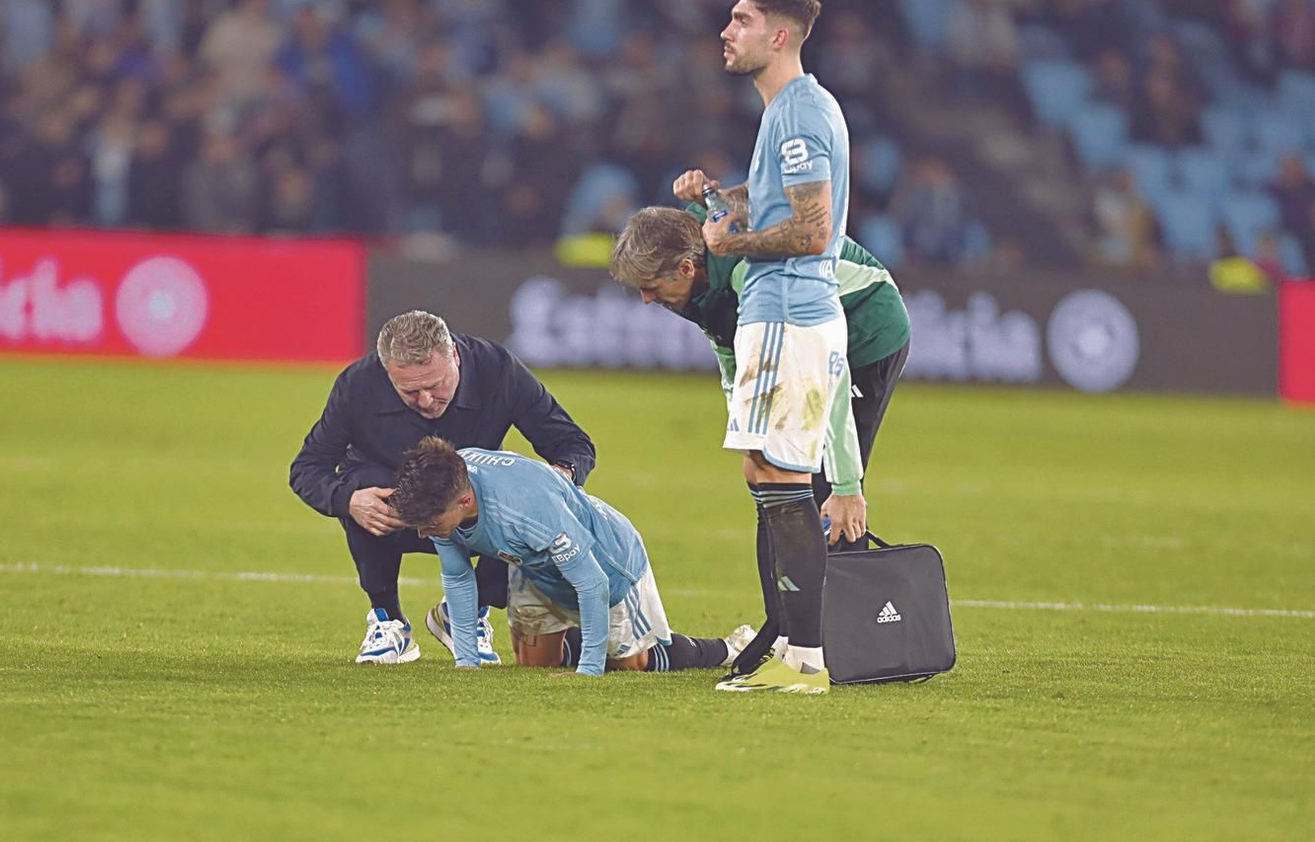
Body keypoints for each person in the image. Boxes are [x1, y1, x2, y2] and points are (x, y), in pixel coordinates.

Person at [675, 0, 852, 694]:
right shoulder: (788, 110)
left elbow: (811, 230)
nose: (727, 30)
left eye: (742, 20)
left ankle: (805, 657)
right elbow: (781, 203)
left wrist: (727, 247)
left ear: (779, 36)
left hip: (790, 314)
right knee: (767, 473)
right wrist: (721, 200)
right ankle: (793, 646)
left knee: (778, 475)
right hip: (783, 314)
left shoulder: (800, 112)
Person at [290, 310, 596, 666]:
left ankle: (466, 615)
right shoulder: (357, 385)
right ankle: (388, 622)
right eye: (410, 391)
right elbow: (307, 467)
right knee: (359, 487)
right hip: (394, 516)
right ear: (387, 372)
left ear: (454, 356)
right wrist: (348, 500)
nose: (425, 401)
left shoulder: (497, 370)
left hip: (472, 514)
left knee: (523, 497)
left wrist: (557, 482)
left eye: (435, 385)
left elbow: (572, 444)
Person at [608, 198, 909, 540]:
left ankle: (841, 571)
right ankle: (790, 587)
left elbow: (829, 371)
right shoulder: (691, 277)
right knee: (773, 480)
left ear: (686, 269)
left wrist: (846, 486)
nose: (646, 299)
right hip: (801, 335)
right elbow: (729, 347)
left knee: (823, 488)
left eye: (651, 287)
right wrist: (748, 430)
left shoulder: (757, 274)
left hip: (865, 330)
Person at [388, 437, 755, 677]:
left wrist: (589, 670)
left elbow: (591, 582)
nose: (423, 533)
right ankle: (590, 637)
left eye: (430, 524)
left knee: (631, 665)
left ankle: (727, 648)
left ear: (465, 502)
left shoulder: (527, 510)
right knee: (533, 663)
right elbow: (456, 576)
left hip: (607, 561)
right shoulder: (444, 488)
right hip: (535, 562)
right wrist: (465, 661)